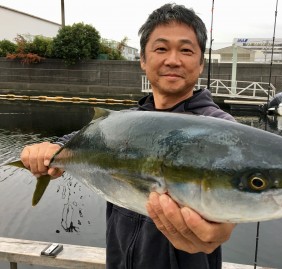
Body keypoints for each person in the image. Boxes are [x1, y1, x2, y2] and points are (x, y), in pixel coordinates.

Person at [20, 3, 237, 269]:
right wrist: (48, 150)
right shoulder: (122, 123)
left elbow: (234, 188)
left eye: (186, 50)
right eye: (161, 48)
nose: (173, 59)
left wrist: (222, 226)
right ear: (143, 60)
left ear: (201, 63)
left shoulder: (221, 128)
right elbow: (76, 141)